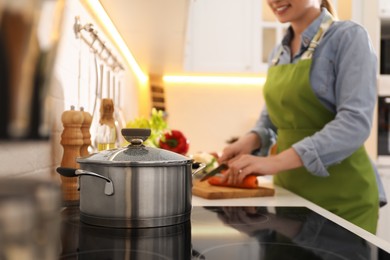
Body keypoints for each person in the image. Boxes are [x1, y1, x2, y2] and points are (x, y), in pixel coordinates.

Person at [218, 0, 387, 234]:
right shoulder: (278, 52)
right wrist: (252, 139)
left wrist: (273, 162)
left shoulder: (348, 37)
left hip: (344, 201)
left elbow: (354, 123)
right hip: (290, 196)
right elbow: (273, 118)